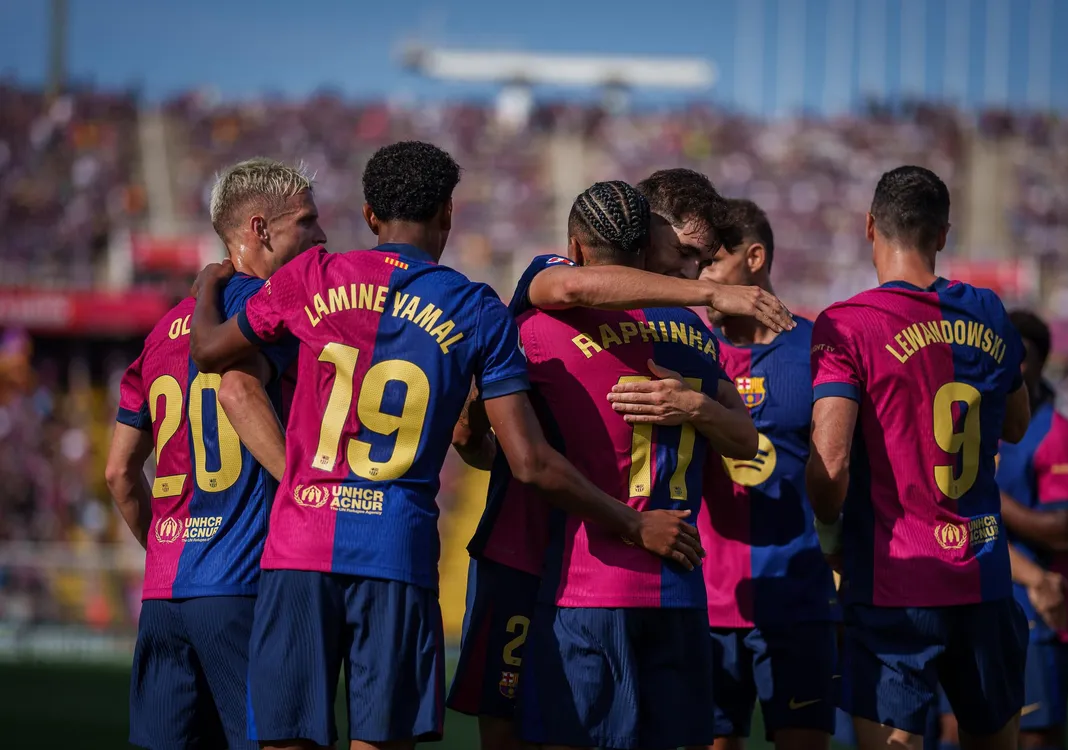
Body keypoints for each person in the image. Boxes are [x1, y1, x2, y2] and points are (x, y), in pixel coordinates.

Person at [187, 142, 702, 750]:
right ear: (448, 216)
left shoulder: (310, 277)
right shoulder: (475, 307)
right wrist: (632, 524)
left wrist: (204, 288)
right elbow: (529, 462)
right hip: (395, 550)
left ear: (370, 214)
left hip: (298, 545)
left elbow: (210, 354)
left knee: (286, 740)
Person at [448, 177, 786, 750]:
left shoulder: (550, 330)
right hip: (536, 549)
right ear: (646, 237)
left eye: (703, 262)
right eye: (683, 254)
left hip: (587, 565)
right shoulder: (562, 296)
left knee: (536, 728)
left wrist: (694, 403)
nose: (692, 273)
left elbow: (477, 435)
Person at [805, 165, 1032, 750]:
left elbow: (829, 468)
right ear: (943, 234)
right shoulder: (988, 311)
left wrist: (829, 539)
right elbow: (1016, 422)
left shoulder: (847, 324)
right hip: (983, 574)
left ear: (869, 226)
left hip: (894, 580)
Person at [105, 158, 323, 750]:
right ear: (260, 230)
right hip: (243, 583)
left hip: (163, 596)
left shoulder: (161, 333)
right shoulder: (280, 314)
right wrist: (307, 494)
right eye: (308, 222)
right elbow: (239, 392)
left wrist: (170, 548)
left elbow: (120, 473)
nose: (322, 237)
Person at [612, 198, 840, 750]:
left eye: (711, 263)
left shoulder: (817, 348)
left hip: (797, 596)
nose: (699, 279)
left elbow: (840, 465)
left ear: (754, 258)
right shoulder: (689, 347)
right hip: (707, 596)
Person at [939, 311, 1068, 750]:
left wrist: (984, 495)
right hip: (972, 598)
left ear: (1039, 363)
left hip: (1037, 611)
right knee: (955, 730)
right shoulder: (976, 425)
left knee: (1034, 738)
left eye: (1024, 358)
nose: (1014, 367)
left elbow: (1062, 530)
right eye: (1006, 356)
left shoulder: (1057, 436)